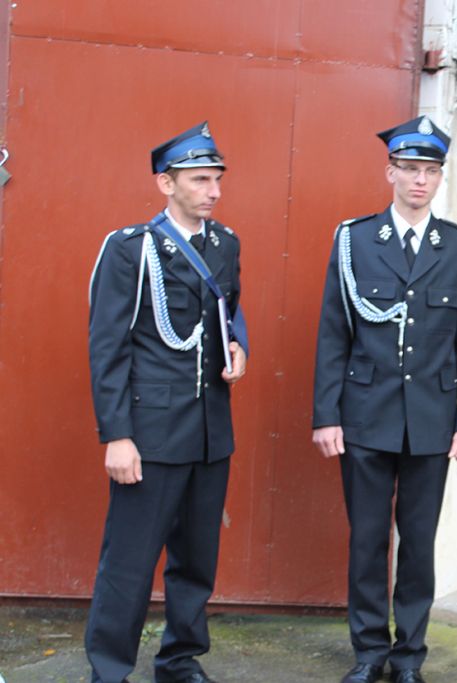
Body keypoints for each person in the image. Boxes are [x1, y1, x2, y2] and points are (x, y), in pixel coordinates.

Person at [311, 115, 457, 683]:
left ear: (440, 178)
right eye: (409, 169)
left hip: (432, 421)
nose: (419, 181)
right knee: (366, 541)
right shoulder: (355, 241)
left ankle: (408, 657)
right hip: (365, 417)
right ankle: (368, 653)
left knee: (417, 545)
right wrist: (326, 415)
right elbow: (333, 334)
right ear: (390, 172)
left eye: (430, 171)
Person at [86, 121, 248, 683]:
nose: (213, 191)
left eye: (217, 179)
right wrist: (117, 435)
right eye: (200, 180)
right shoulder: (130, 249)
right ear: (166, 183)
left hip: (209, 430)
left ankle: (179, 660)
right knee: (129, 563)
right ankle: (109, 671)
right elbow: (107, 347)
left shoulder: (225, 244)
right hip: (150, 434)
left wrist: (239, 347)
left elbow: (229, 311)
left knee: (197, 561)